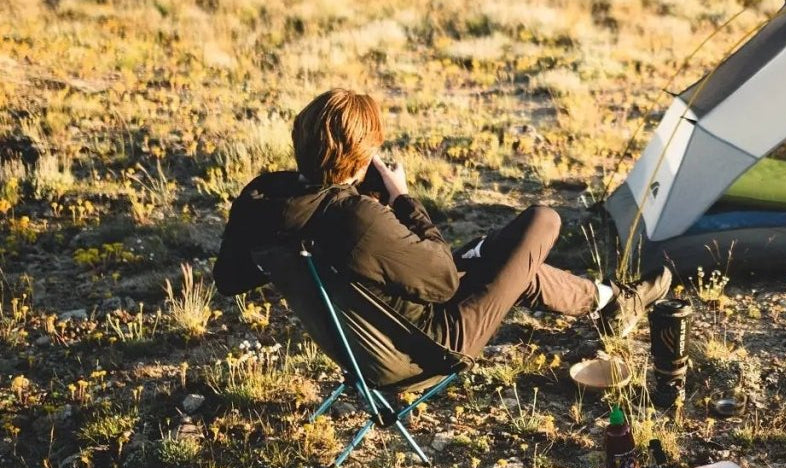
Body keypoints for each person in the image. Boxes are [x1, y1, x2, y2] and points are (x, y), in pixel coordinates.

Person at [213, 88, 671, 357]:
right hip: (428, 343)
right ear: (356, 159)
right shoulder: (357, 220)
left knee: (504, 261)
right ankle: (614, 302)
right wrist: (403, 199)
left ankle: (611, 302)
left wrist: (358, 192)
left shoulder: (269, 200)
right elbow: (445, 281)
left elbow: (230, 278)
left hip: (366, 341)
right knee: (541, 221)